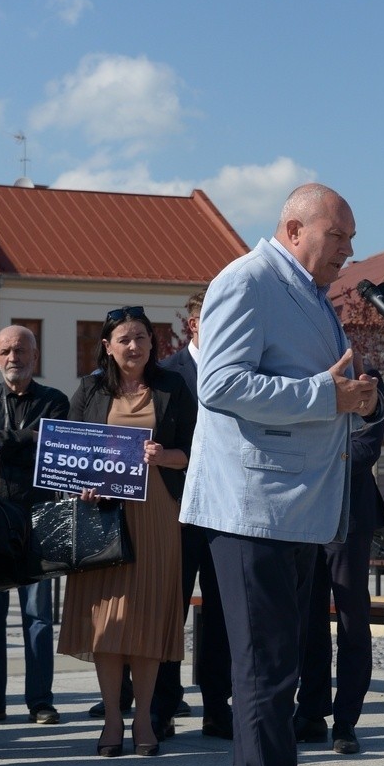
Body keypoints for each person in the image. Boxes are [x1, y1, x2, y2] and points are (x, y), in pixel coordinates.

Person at [180, 182, 382, 766]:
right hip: (250, 508)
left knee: (276, 668)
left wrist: (350, 397)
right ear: (294, 228)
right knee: (267, 671)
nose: (349, 252)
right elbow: (221, 384)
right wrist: (328, 395)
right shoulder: (247, 281)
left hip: (292, 509)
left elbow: (311, 387)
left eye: (351, 241)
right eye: (339, 238)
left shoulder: (306, 294)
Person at [58, 306, 195, 757]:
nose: (132, 346)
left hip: (158, 514)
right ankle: (113, 719)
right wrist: (84, 485)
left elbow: (199, 453)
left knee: (148, 616)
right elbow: (70, 454)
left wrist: (165, 456)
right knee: (106, 621)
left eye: (140, 337)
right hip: (104, 519)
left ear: (152, 343)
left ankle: (144, 720)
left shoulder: (173, 388)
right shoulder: (90, 389)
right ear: (107, 346)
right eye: (123, 339)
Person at [0, 326, 69, 726]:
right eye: (6, 350)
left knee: (39, 619)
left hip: (39, 523)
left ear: (35, 356)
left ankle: (40, 701)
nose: (14, 357)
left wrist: (2, 441)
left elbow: (53, 448)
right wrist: (28, 438)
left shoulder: (55, 400)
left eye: (21, 350)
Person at [152, 291, 233, 741]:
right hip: (177, 510)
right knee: (171, 610)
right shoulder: (166, 375)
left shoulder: (240, 369)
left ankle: (217, 708)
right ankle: (163, 705)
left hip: (226, 509)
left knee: (222, 614)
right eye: (208, 317)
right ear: (193, 324)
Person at [295, 369, 384, 755]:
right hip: (305, 515)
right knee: (307, 619)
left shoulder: (366, 384)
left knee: (352, 619)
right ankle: (311, 712)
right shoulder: (308, 385)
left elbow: (366, 451)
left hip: (348, 519)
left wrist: (314, 456)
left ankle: (346, 721)